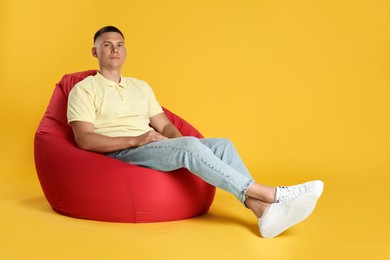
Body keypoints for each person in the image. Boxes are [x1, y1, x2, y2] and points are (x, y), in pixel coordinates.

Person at [67, 26, 324, 238]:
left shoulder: (140, 87)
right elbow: (84, 139)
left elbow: (165, 125)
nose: (115, 49)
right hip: (122, 152)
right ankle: (274, 194)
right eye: (107, 45)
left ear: (125, 51)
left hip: (151, 145)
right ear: (95, 51)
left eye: (120, 44)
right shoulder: (84, 89)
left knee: (222, 145)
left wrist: (179, 145)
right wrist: (137, 139)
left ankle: (263, 212)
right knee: (190, 148)